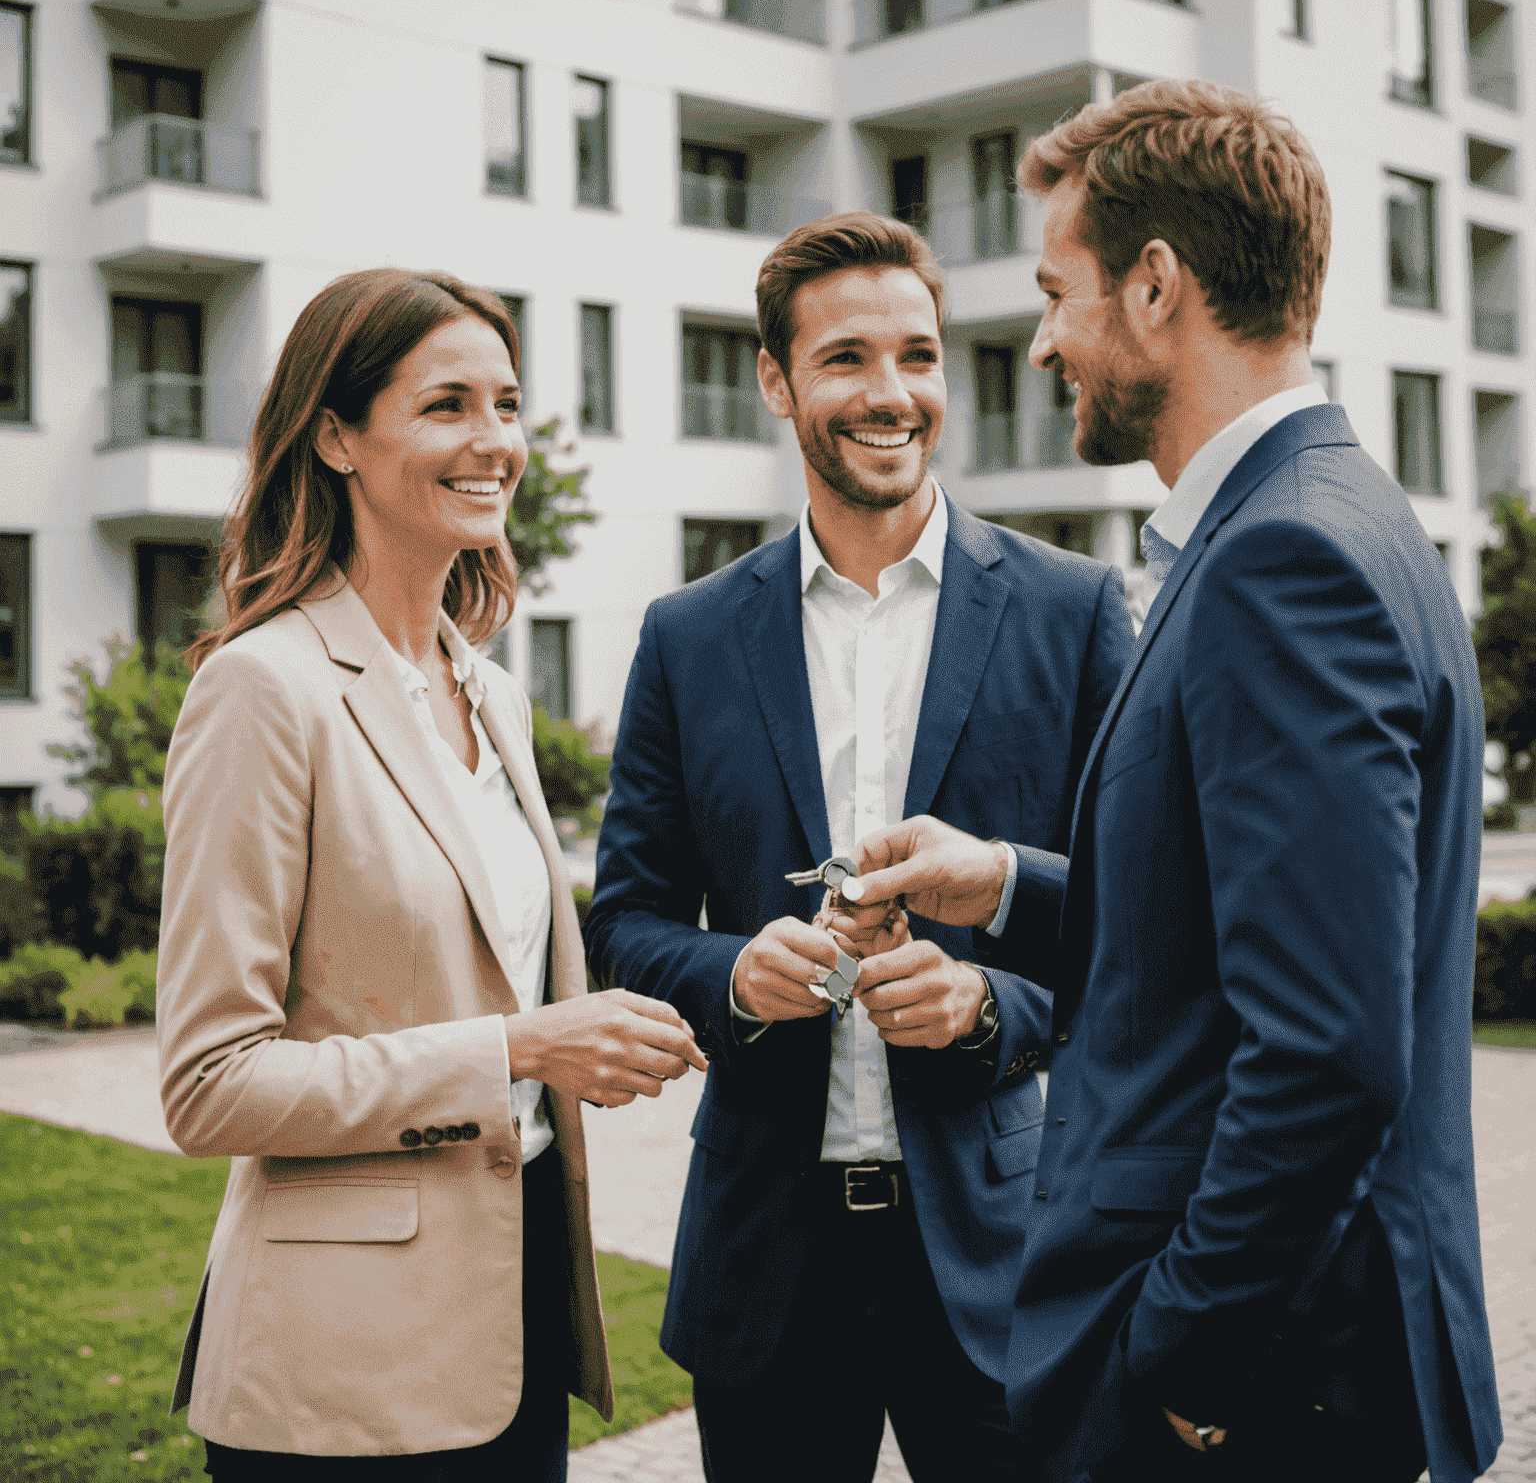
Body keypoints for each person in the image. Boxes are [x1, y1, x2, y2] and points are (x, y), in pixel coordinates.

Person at [831, 80, 1503, 1483]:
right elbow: (1229, 940)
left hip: (1256, 1406)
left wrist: (1185, 1355)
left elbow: (1326, 1050)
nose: (1039, 344)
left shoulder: (1283, 563)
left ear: (1154, 286)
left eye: (1056, 291)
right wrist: (1007, 882)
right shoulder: (1331, 515)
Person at [584, 212, 1133, 1483]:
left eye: (919, 357)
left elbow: (1137, 926)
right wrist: (729, 975)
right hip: (765, 1257)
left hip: (1001, 1252)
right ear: (776, 383)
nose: (891, 395)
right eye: (845, 359)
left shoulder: (1074, 611)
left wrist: (988, 1001)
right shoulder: (688, 636)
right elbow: (621, 921)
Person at [156, 268, 707, 1482]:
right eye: (447, 405)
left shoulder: (489, 688)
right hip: (340, 1370)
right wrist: (518, 1051)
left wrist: (599, 1042)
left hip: (514, 1327)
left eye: (506, 405)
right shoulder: (263, 690)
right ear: (338, 437)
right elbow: (210, 1085)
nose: (494, 442)